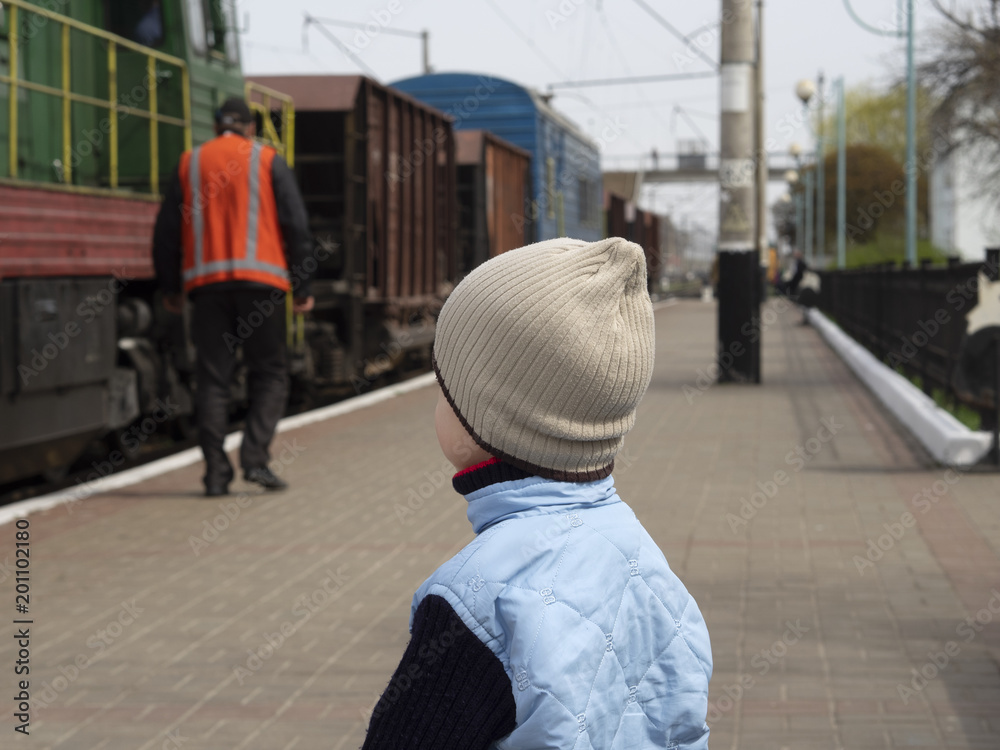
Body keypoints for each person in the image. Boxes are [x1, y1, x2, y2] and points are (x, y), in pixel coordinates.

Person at [362, 238, 713, 748]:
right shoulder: (650, 566)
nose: (436, 402)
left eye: (445, 386)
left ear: (494, 418)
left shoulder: (476, 600)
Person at [153, 98, 314, 497]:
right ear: (250, 127)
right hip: (263, 287)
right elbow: (297, 225)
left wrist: (170, 287)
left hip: (207, 290)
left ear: (215, 125)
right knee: (271, 374)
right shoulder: (268, 159)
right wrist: (303, 286)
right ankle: (255, 460)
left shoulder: (189, 163)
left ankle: (215, 476)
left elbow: (166, 232)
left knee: (213, 379)